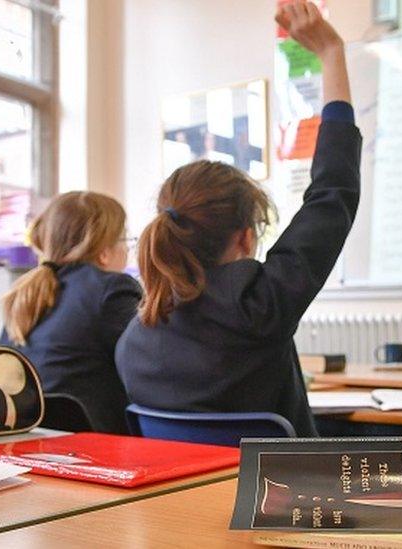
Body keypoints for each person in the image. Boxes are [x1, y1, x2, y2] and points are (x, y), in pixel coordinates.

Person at [116, 0, 360, 437]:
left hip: (178, 507)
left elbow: (331, 194)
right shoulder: (260, 305)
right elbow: (333, 192)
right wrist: (331, 54)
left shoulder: (134, 340)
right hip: (282, 504)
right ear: (245, 239)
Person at [0, 192, 141, 434]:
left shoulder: (24, 295)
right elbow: (143, 369)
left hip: (31, 439)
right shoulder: (112, 289)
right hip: (96, 445)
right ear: (104, 252)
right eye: (125, 240)